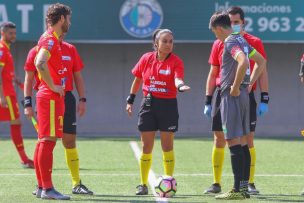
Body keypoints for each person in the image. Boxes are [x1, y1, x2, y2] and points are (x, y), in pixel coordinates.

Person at [203, 6, 269, 195]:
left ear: (219, 28)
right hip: (243, 96)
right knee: (242, 141)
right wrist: (247, 84)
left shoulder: (231, 41)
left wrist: (234, 87)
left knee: (232, 140)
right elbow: (261, 62)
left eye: (215, 33)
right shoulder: (241, 39)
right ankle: (243, 188)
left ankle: (237, 190)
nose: (216, 37)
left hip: (231, 97)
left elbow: (244, 62)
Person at [24, 34, 93, 195]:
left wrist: (82, 99)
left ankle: (76, 183)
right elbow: (29, 79)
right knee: (45, 140)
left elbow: (77, 76)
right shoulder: (36, 51)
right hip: (48, 97)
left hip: (66, 97)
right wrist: (27, 103)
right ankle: (42, 185)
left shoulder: (70, 49)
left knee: (69, 141)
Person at [126, 29, 190, 195]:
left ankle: (168, 180)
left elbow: (177, 78)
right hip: (148, 104)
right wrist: (130, 100)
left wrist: (180, 86)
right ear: (156, 43)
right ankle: (142, 184)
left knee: (167, 146)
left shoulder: (176, 61)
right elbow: (137, 79)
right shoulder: (146, 58)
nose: (169, 44)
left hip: (168, 105)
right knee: (146, 146)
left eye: (171, 41)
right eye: (165, 41)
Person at [31, 3, 71, 200]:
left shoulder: (50, 38)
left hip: (48, 97)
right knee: (48, 142)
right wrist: (53, 86)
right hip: (50, 97)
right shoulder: (49, 40)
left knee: (43, 141)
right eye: (68, 19)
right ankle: (47, 189)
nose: (69, 23)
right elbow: (39, 62)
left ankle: (41, 187)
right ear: (61, 19)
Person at [0, 22, 34, 168]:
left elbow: (5, 73)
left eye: (14, 33)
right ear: (3, 33)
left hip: (8, 92)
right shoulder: (2, 49)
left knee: (16, 123)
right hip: (6, 94)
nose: (13, 36)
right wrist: (1, 96)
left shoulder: (6, 49)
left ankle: (24, 159)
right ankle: (24, 159)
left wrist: (15, 79)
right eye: (10, 33)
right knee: (16, 123)